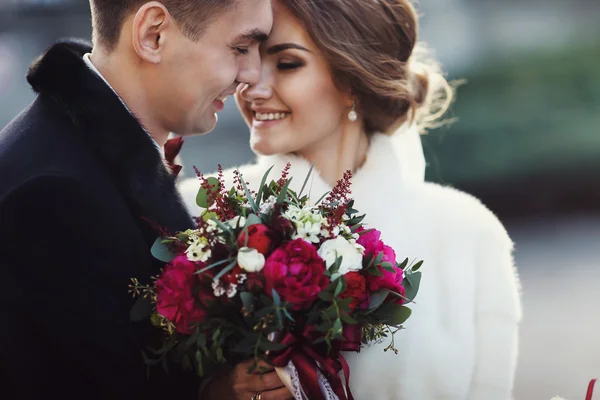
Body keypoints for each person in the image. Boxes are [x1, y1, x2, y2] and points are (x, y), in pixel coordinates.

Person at [180, 0, 522, 399]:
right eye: (246, 58)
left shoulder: (469, 233)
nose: (251, 86)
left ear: (352, 81)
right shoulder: (201, 212)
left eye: (287, 63)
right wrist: (218, 392)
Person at [0, 1, 291, 399]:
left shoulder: (82, 158)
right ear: (153, 34)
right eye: (241, 48)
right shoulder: (54, 196)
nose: (252, 74)